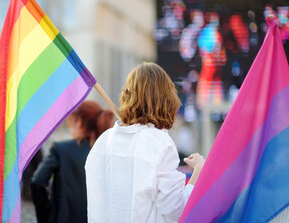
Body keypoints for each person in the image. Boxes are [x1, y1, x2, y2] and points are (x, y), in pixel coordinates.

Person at [85, 62, 205, 223]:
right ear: (166, 99)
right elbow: (178, 208)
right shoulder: (159, 143)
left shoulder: (103, 141)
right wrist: (199, 170)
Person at [31, 100, 114, 223]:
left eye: (71, 123)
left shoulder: (61, 150)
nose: (70, 128)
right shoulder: (110, 152)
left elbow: (38, 181)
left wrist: (48, 215)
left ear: (79, 122)